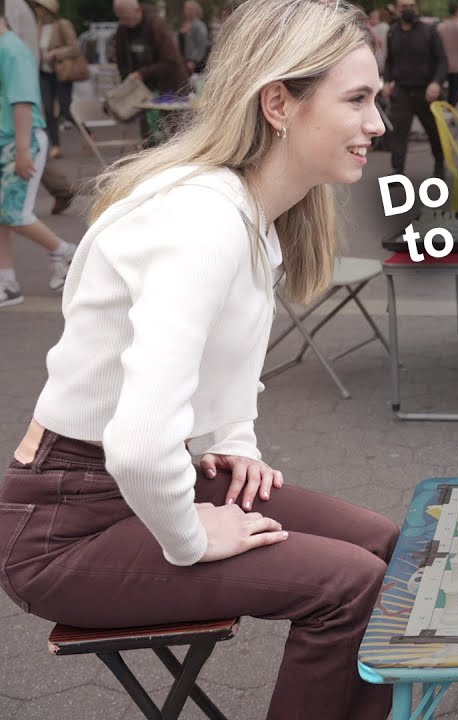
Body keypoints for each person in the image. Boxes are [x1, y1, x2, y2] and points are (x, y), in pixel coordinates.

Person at [0, 2, 399, 719]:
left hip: (147, 482)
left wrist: (234, 446)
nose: (378, 124)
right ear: (279, 102)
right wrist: (189, 538)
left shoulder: (256, 219)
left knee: (394, 553)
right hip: (65, 531)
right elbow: (138, 443)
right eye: (358, 100)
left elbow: (231, 370)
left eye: (377, 100)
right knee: (347, 583)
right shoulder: (204, 221)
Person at [0, 12, 75, 308]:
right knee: (3, 217)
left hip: (21, 141)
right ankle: (6, 283)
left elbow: (23, 102)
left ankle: (65, 251)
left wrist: (22, 150)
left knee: (14, 214)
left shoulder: (11, 50)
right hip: (12, 141)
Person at [382, 0, 447, 177]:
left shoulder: (429, 31)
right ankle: (397, 170)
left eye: (411, 6)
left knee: (434, 131)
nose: (408, 9)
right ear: (396, 9)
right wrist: (387, 81)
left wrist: (436, 83)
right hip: (402, 91)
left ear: (417, 8)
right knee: (399, 132)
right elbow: (389, 61)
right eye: (404, 6)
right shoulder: (392, 32)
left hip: (426, 92)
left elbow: (442, 60)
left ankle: (440, 166)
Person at [112, 0, 190, 143]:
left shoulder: (156, 25)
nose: (126, 22)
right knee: (149, 135)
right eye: (122, 19)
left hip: (170, 87)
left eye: (128, 18)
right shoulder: (122, 30)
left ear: (138, 10)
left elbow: (171, 61)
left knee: (176, 133)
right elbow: (122, 61)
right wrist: (127, 84)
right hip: (144, 90)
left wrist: (142, 73)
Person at [29, 0, 80, 161]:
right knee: (49, 109)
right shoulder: (37, 27)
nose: (37, 10)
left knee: (66, 108)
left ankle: (87, 131)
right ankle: (56, 145)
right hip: (44, 74)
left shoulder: (62, 25)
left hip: (61, 73)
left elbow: (75, 48)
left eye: (39, 7)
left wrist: (55, 53)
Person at [178, 0, 210, 75]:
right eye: (187, 9)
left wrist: (194, 61)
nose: (188, 11)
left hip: (195, 65)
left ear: (196, 10)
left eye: (191, 9)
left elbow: (201, 45)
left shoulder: (199, 26)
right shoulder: (184, 24)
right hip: (183, 62)